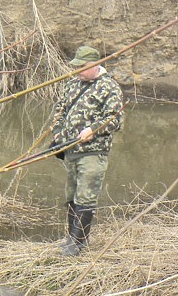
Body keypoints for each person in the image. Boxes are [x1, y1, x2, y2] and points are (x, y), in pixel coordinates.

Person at [52, 45, 124, 256]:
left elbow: (115, 120)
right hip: (71, 151)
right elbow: (60, 110)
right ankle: (71, 239)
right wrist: (57, 133)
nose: (78, 71)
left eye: (81, 67)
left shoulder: (109, 88)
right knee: (71, 195)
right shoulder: (73, 84)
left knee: (86, 197)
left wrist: (93, 130)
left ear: (95, 65)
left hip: (93, 152)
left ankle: (79, 243)